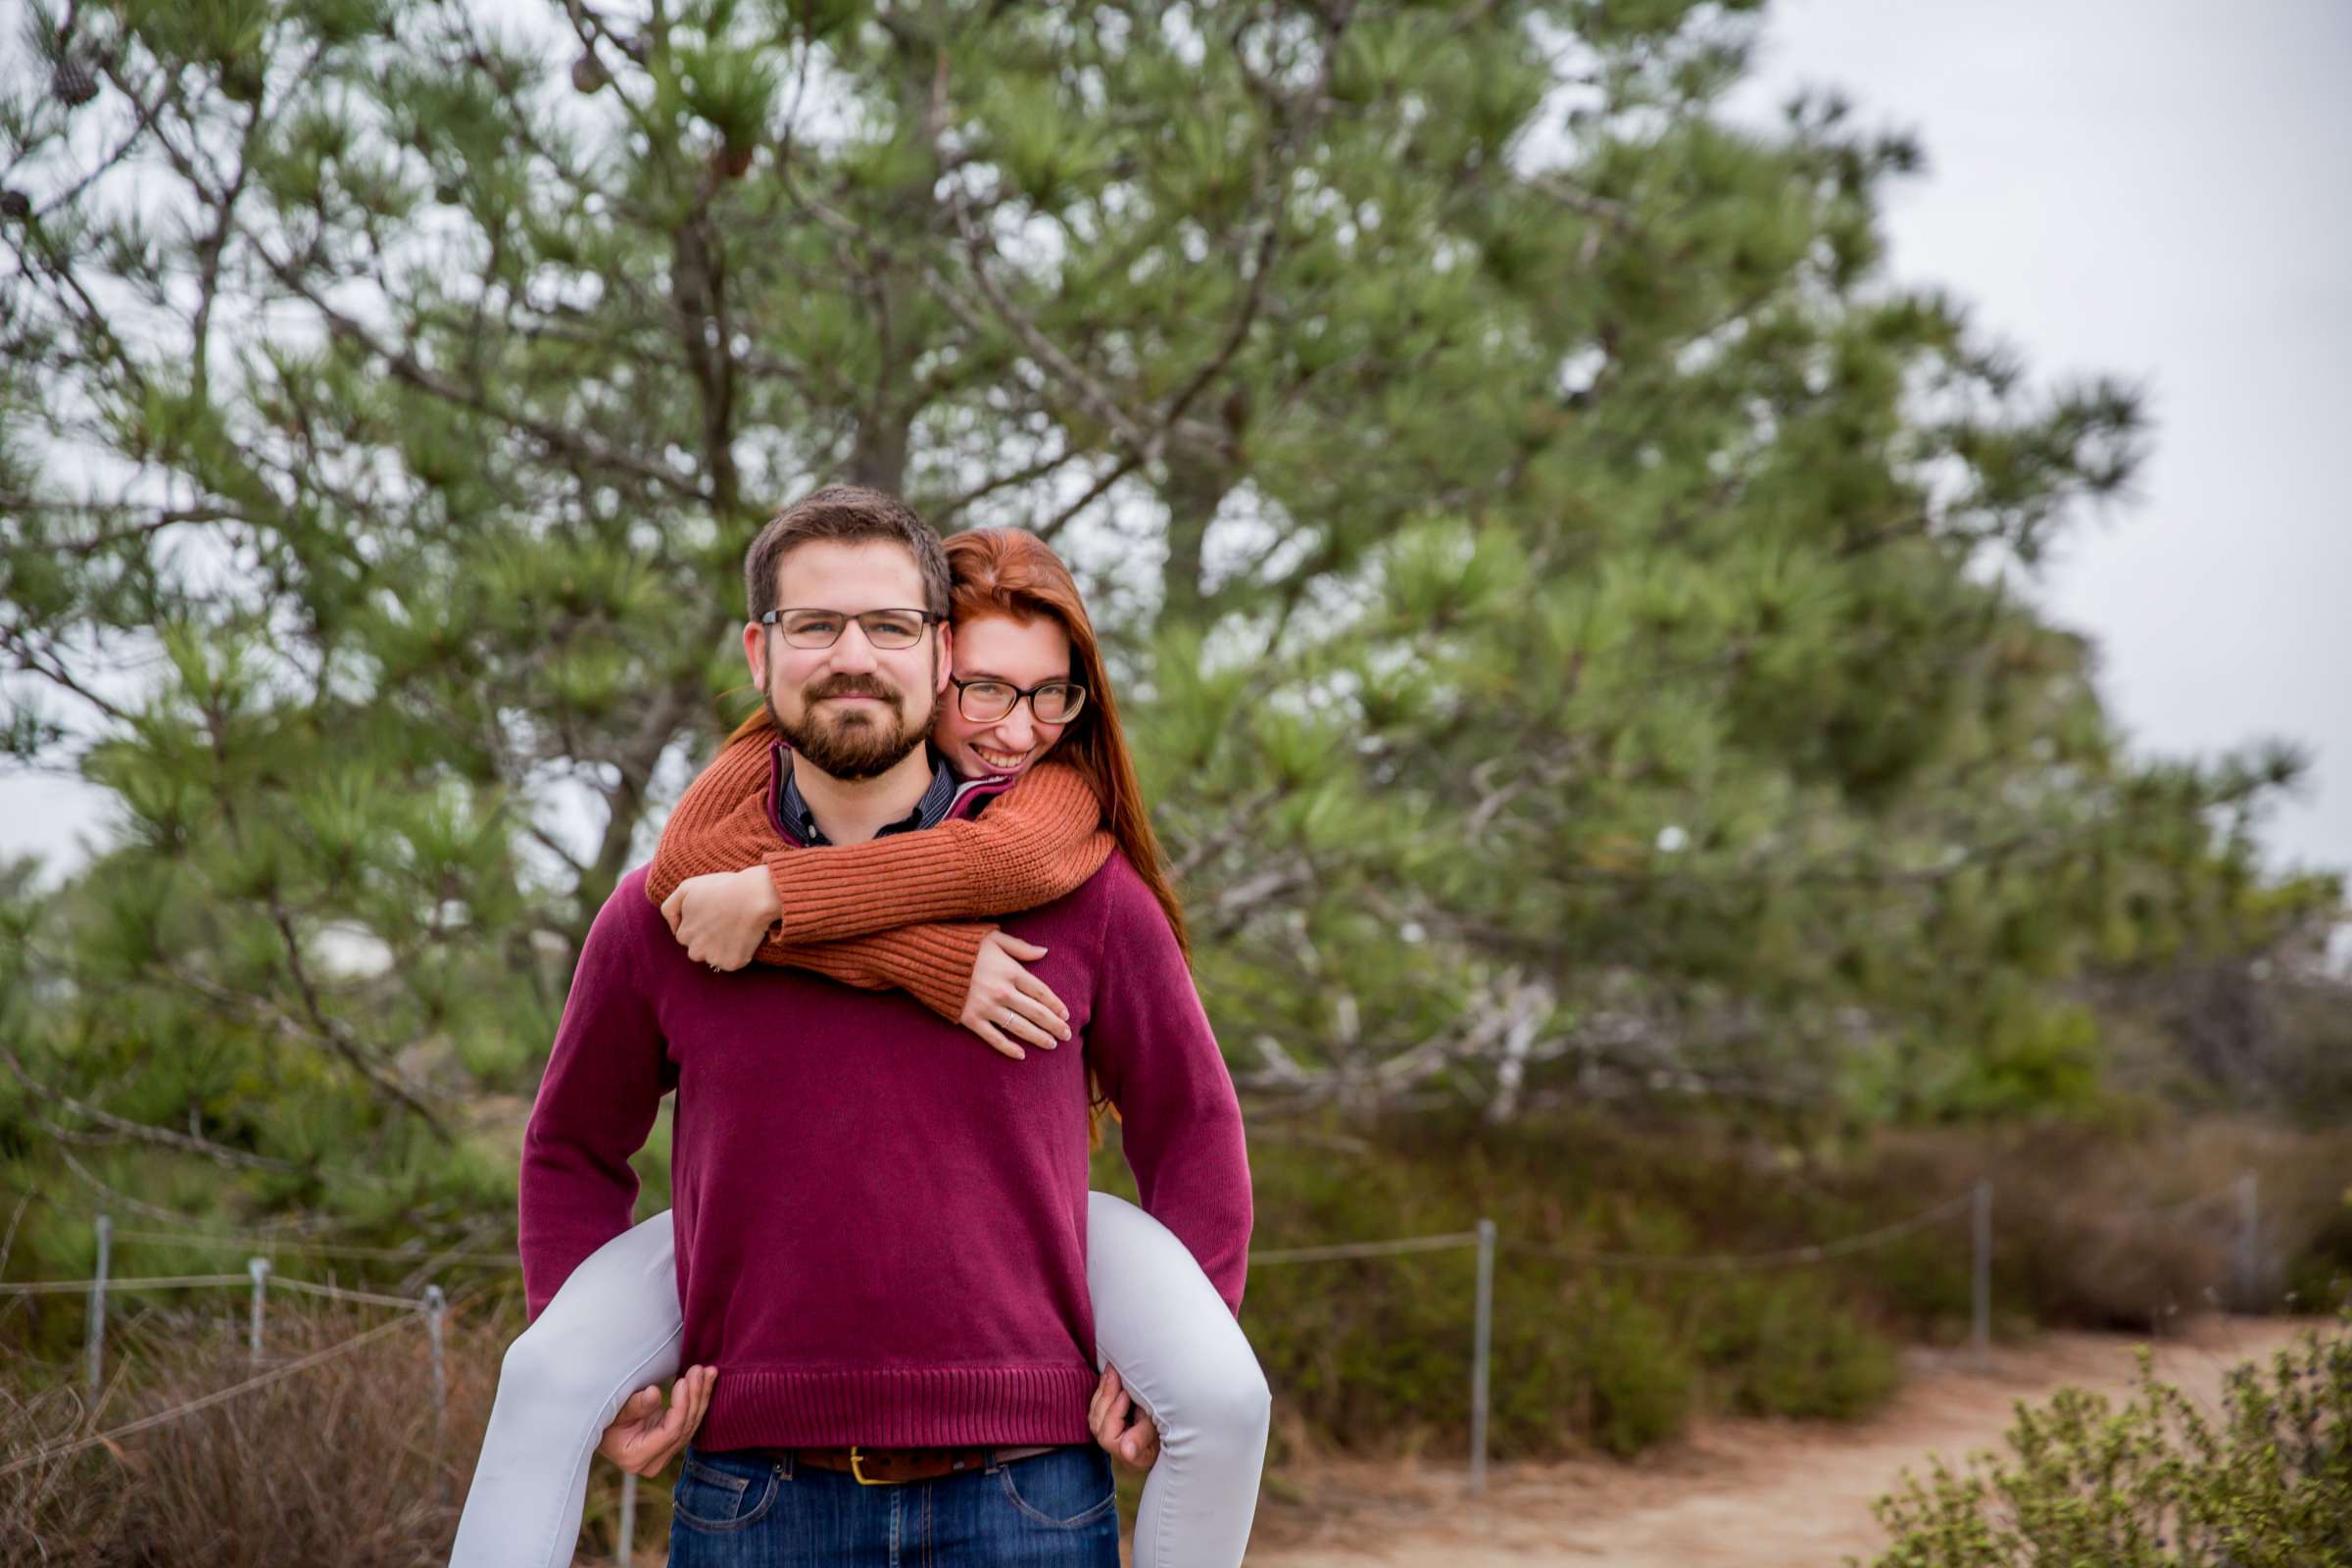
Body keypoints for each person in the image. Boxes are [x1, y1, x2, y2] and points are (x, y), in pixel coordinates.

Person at [449, 491, 1267, 1568]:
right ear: (760, 651)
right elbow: (570, 1145)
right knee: (539, 1383)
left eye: (887, 626)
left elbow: (1192, 1124)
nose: (852, 655)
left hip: (1024, 1493)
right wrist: (601, 1369)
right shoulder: (673, 910)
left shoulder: (1084, 894)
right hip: (754, 1493)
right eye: (814, 625)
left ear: (933, 654)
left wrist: (1164, 1367)